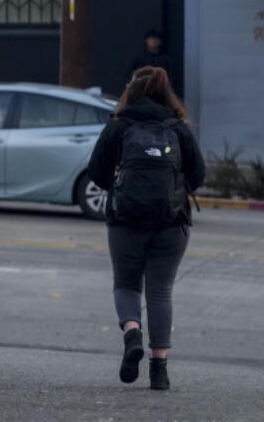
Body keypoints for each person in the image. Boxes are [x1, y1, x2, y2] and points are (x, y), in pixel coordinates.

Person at [85, 66, 204, 390]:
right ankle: (159, 370)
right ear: (166, 93)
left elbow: (95, 172)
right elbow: (199, 175)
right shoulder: (177, 128)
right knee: (160, 292)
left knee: (126, 284)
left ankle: (132, 332)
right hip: (171, 222)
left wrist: (121, 186)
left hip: (125, 221)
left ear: (131, 91)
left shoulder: (119, 125)